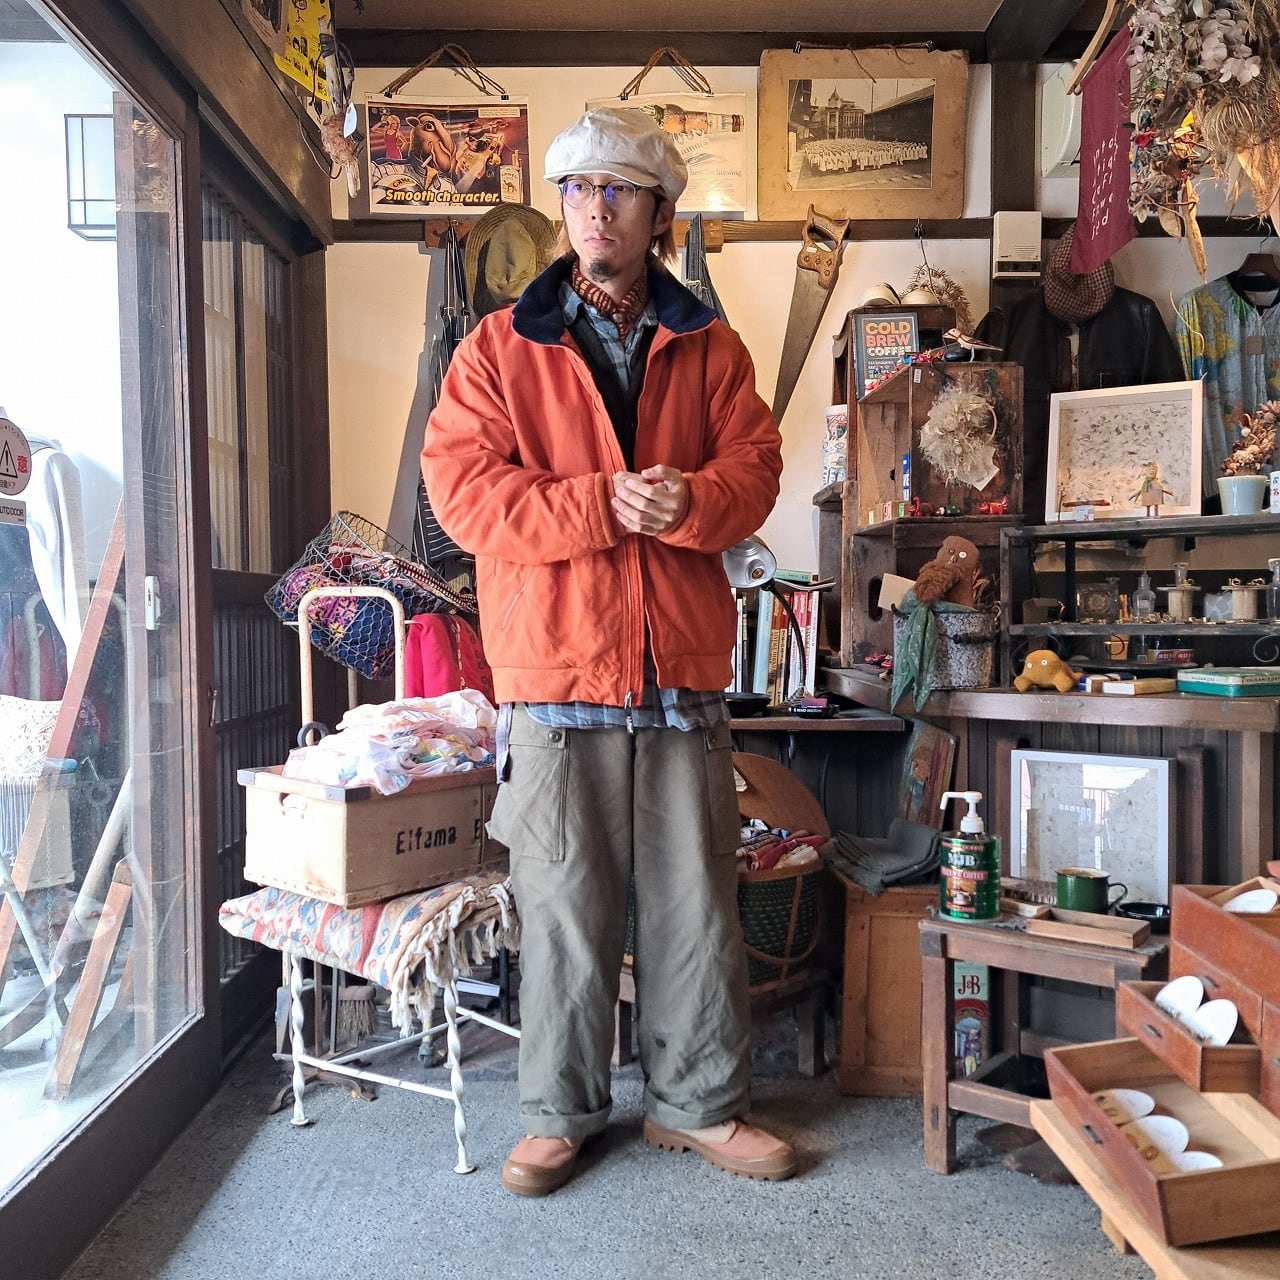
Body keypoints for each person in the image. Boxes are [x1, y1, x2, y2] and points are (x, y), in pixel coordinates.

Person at [421, 106, 792, 1196]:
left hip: (678, 669)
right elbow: (463, 494)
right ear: (562, 207)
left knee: (694, 905)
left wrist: (692, 502)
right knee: (564, 908)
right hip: (555, 671)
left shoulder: (712, 345)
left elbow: (756, 470)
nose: (596, 207)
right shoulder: (497, 347)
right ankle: (557, 1110)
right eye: (579, 188)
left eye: (620, 188)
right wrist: (599, 504)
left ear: (658, 212)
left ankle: (699, 1104)